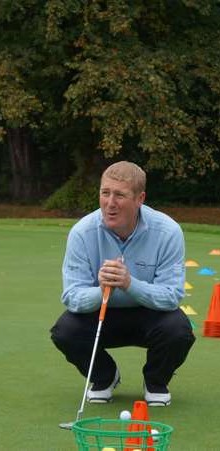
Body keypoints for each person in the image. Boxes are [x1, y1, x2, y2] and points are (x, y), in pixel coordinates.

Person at [50, 161, 195, 407]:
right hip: (101, 314)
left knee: (178, 330)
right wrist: (102, 290)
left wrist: (129, 283)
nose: (110, 202)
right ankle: (104, 377)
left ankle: (155, 382)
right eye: (105, 193)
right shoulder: (82, 232)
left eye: (120, 195)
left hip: (151, 315)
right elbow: (72, 296)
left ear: (140, 199)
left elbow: (171, 296)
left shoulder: (168, 232)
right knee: (65, 331)